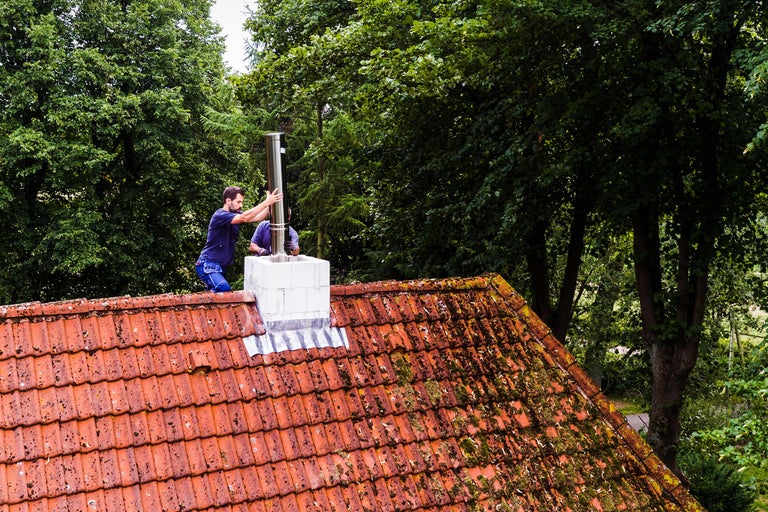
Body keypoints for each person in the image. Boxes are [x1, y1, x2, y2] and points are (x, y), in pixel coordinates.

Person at [196, 186, 283, 292]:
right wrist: (266, 202)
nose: (241, 205)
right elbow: (244, 217)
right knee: (223, 288)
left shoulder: (235, 214)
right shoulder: (220, 215)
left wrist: (270, 204)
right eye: (238, 202)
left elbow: (259, 217)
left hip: (220, 266)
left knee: (217, 296)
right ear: (228, 201)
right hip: (207, 264)